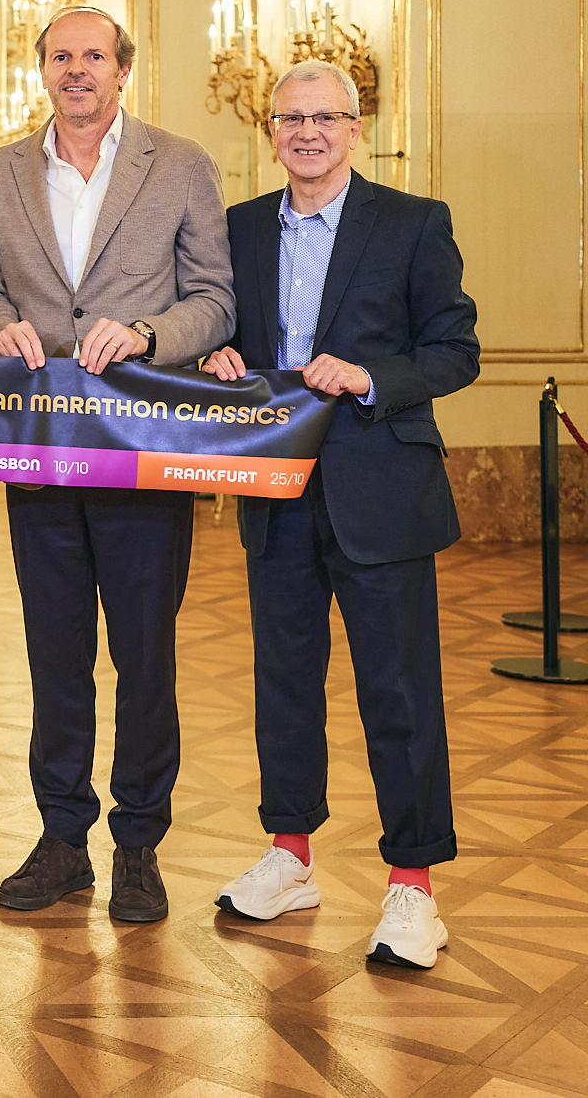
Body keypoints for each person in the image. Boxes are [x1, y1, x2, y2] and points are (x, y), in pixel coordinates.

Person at [202, 60, 479, 968]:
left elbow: (455, 350)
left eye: (326, 117)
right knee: (283, 684)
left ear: (355, 129)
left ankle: (413, 886)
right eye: (291, 118)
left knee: (397, 691)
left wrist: (369, 377)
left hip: (381, 493)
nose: (308, 132)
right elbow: (223, 330)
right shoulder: (240, 228)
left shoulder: (412, 223)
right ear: (270, 132)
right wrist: (221, 358)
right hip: (275, 493)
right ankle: (291, 855)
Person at [0, 5, 234, 923]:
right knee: (55, 651)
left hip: (143, 449)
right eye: (59, 57)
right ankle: (62, 837)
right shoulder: (1, 171)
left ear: (123, 69)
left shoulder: (184, 164)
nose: (76, 70)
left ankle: (140, 844)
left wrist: (154, 332)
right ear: (40, 70)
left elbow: (215, 300)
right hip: (38, 449)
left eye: (93, 56)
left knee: (146, 653)